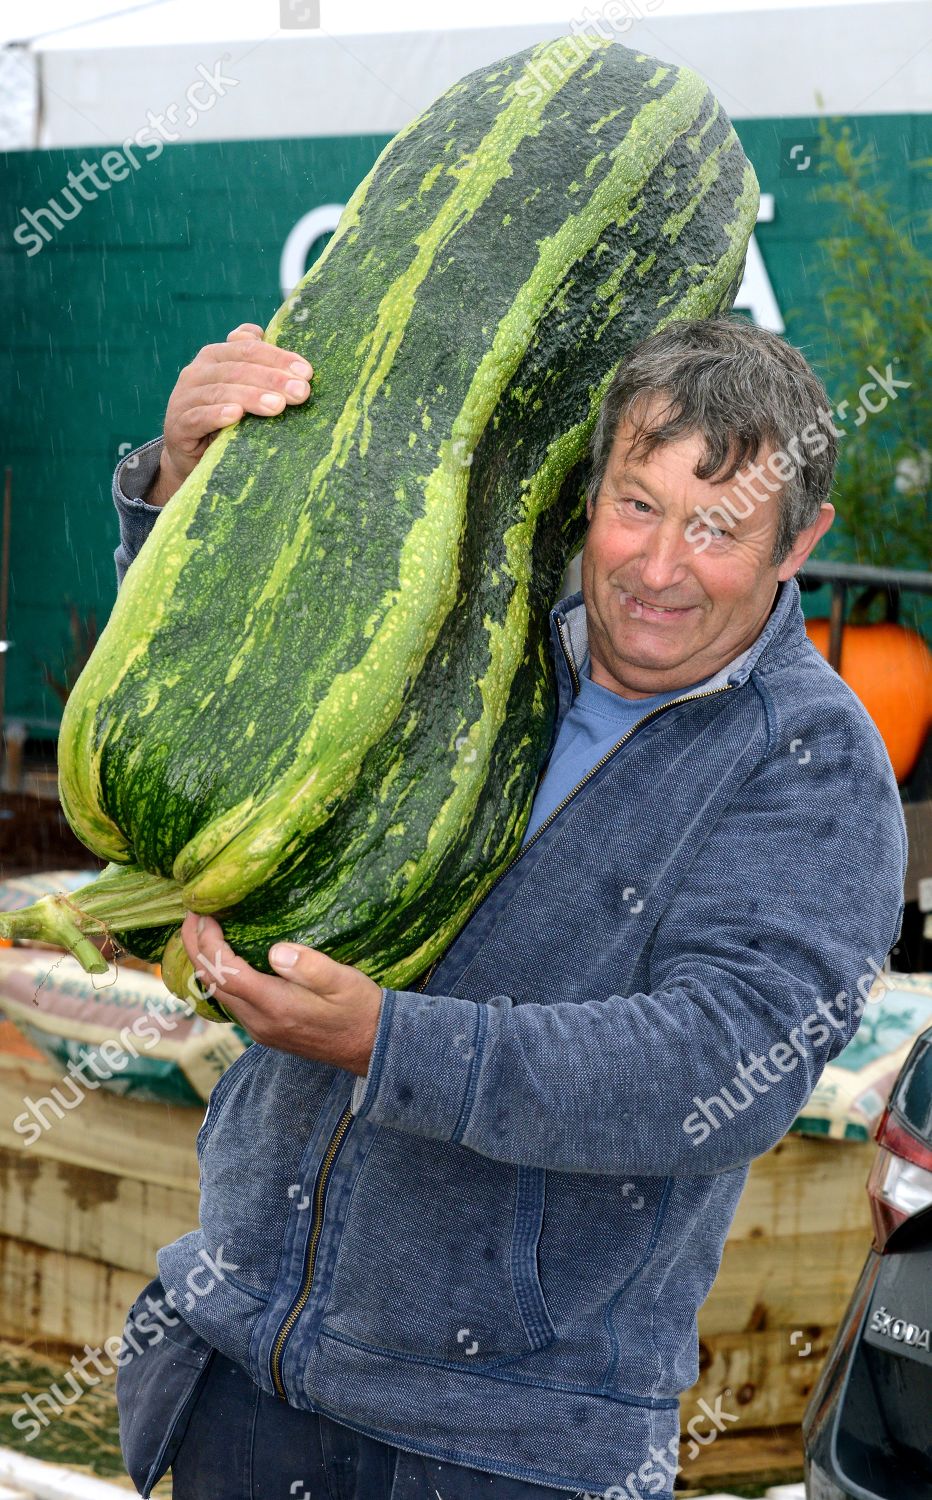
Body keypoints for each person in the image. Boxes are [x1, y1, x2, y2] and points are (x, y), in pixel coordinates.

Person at [111, 316, 906, 1500]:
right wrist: (182, 490)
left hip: (506, 1447)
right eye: (635, 504)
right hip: (241, 1370)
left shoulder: (812, 767)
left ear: (800, 543)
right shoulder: (462, 625)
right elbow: (214, 718)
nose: (656, 566)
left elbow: (712, 1071)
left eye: (718, 528)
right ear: (590, 490)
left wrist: (388, 1042)